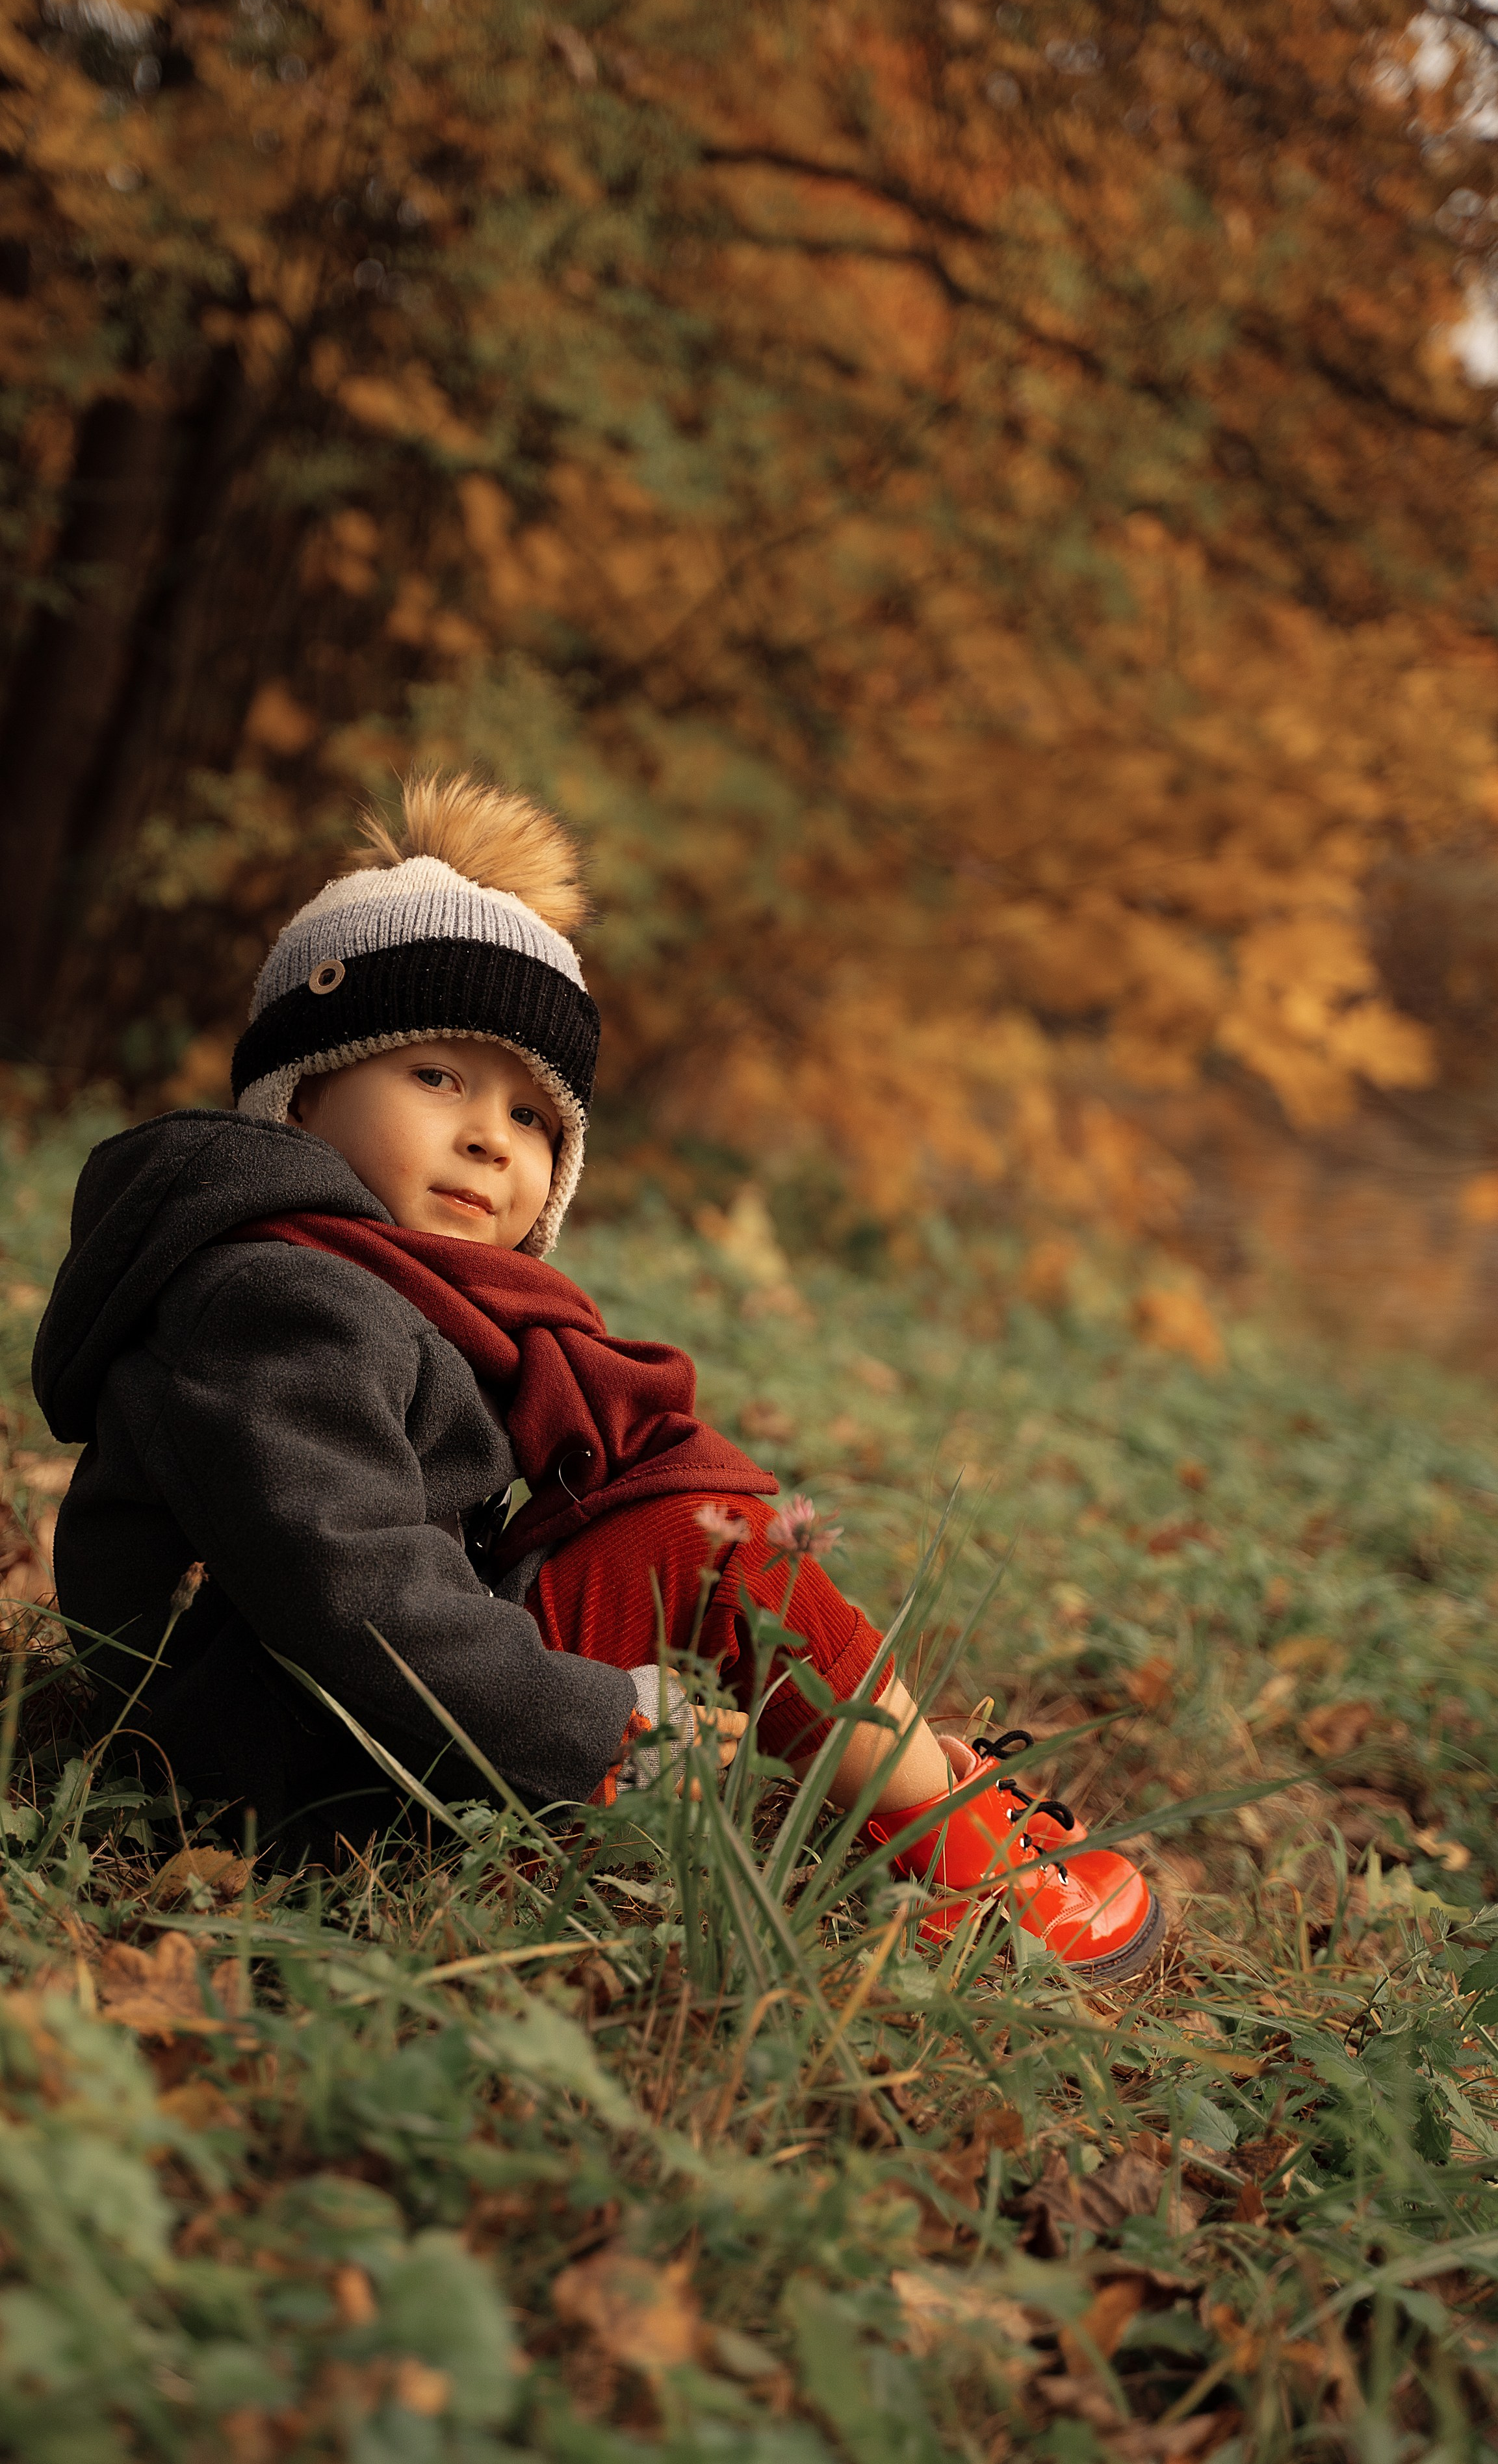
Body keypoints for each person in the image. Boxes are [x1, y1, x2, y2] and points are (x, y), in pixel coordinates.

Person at [33, 775, 1162, 1980]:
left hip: (325, 1718)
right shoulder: (279, 1301)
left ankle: (908, 1792)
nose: (489, 1138)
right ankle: (941, 1833)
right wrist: (611, 1728)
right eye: (435, 1078)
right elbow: (350, 1592)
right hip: (274, 1769)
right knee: (710, 1538)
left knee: (699, 1525)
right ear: (301, 1096)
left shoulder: (370, 1285)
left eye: (532, 1117)